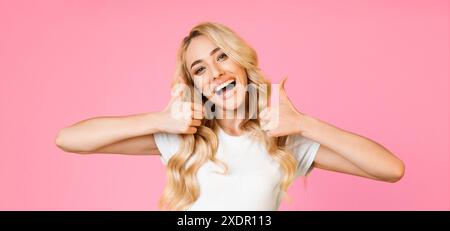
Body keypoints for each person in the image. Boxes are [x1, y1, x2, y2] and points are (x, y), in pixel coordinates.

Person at [55, 22, 405, 211]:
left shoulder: (283, 140)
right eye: (200, 69)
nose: (216, 73)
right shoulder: (182, 139)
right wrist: (158, 120)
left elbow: (391, 169)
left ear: (241, 61)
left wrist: (304, 124)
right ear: (196, 85)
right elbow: (69, 139)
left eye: (221, 57)